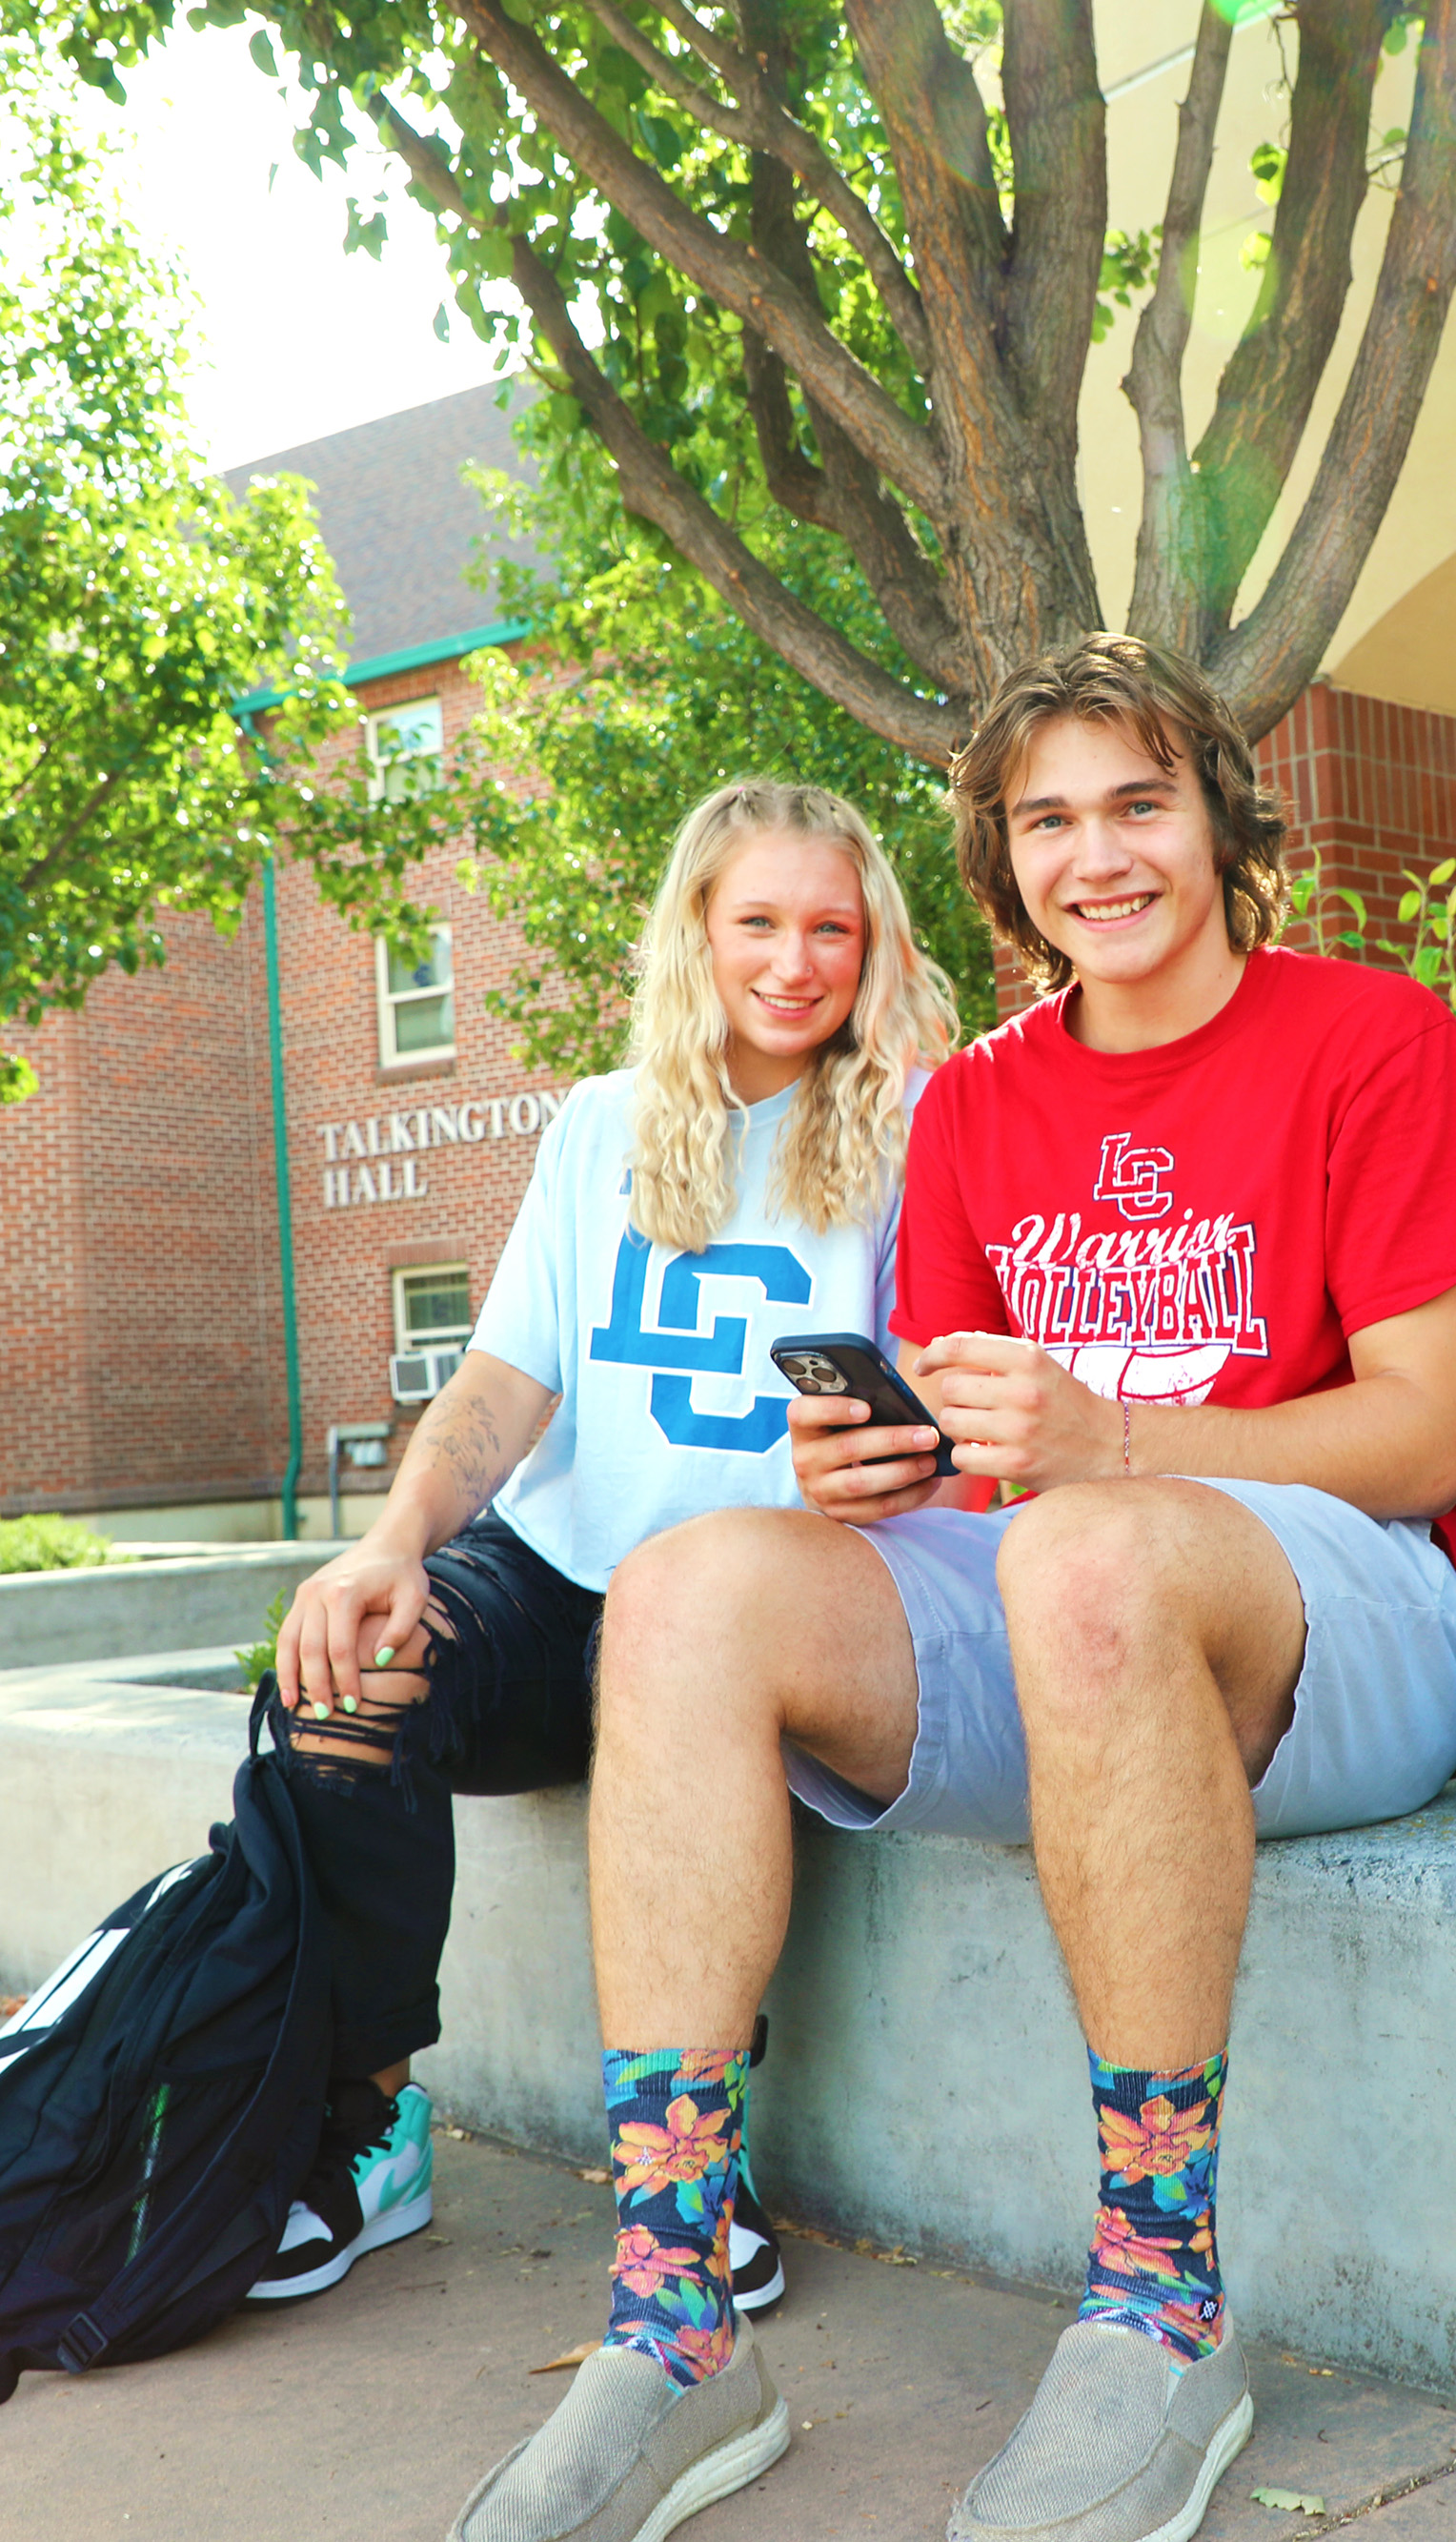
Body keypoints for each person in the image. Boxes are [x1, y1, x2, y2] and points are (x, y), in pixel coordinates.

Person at [450, 636, 1456, 2542]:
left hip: (1341, 1616)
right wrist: (863, 1467)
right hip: (1073, 1603)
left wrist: (1112, 1439)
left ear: (1216, 815)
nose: (1094, 854)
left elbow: (1427, 1437)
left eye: (1137, 803)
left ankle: (1158, 2299)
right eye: (1045, 820)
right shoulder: (974, 1104)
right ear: (998, 860)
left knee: (1088, 1541)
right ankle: (679, 2315)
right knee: (690, 1586)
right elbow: (970, 1457)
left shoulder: (1367, 1040)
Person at [253, 778, 956, 2312]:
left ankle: (698, 2161)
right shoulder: (596, 1125)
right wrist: (392, 1544)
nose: (793, 958)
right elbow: (506, 1383)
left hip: (749, 1607)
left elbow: (935, 1420)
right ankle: (368, 2118)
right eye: (757, 920)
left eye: (830, 925)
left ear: (874, 944)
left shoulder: (919, 1136)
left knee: (708, 1655)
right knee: (344, 1671)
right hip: (557, 1577)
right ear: (696, 933)